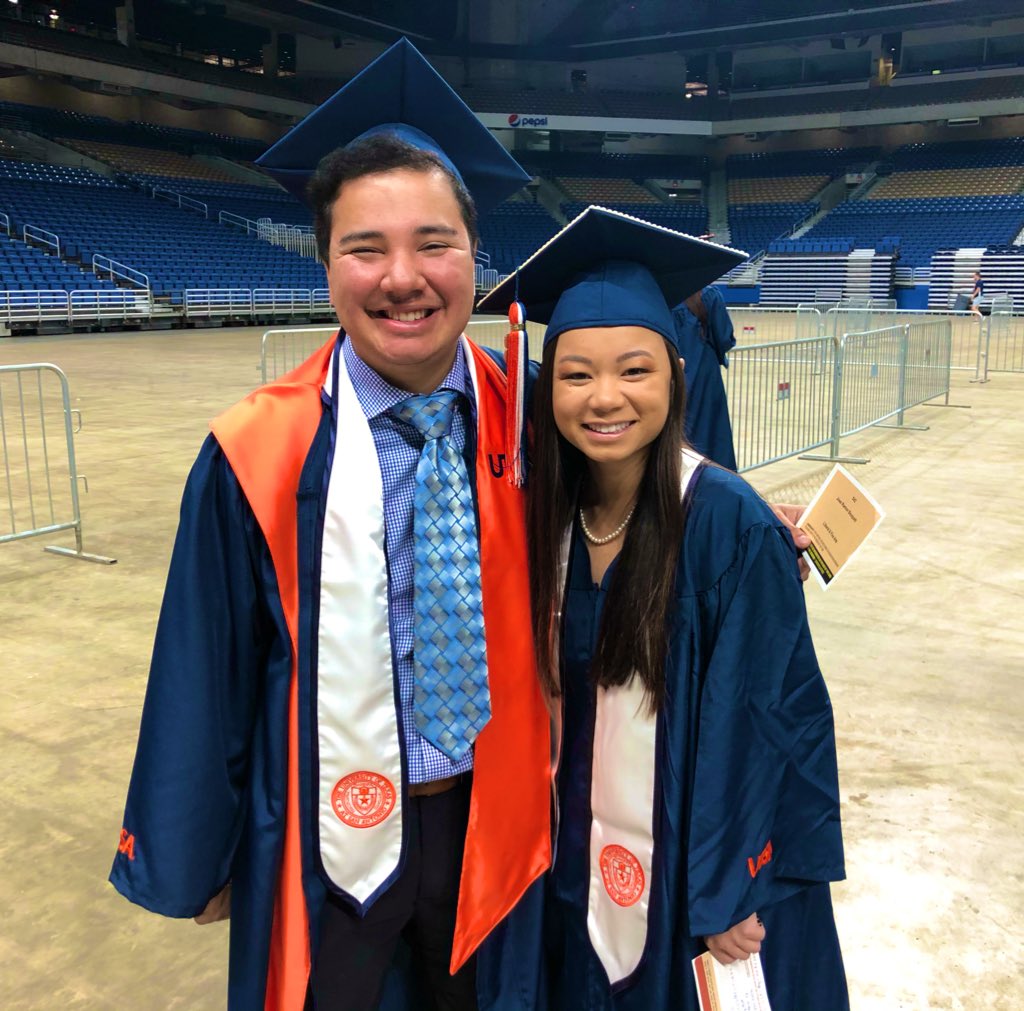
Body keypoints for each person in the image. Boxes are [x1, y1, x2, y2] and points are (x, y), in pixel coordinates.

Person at [109, 39, 552, 1011]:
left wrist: (738, 527)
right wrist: (196, 849)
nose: (404, 277)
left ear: (477, 255)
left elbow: (636, 534)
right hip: (325, 840)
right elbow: (205, 664)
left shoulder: (535, 420)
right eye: (366, 247)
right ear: (325, 264)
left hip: (504, 828)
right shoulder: (256, 452)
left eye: (434, 242)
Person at [488, 207, 849, 1010]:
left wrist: (737, 884)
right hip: (570, 858)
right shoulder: (540, 515)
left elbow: (770, 713)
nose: (604, 397)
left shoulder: (727, 523)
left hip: (690, 870)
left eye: (635, 370)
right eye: (576, 375)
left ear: (675, 378)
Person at [671, 285, 737, 469]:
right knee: (712, 438)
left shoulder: (656, 294)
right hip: (703, 377)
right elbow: (724, 338)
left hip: (669, 377)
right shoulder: (705, 295)